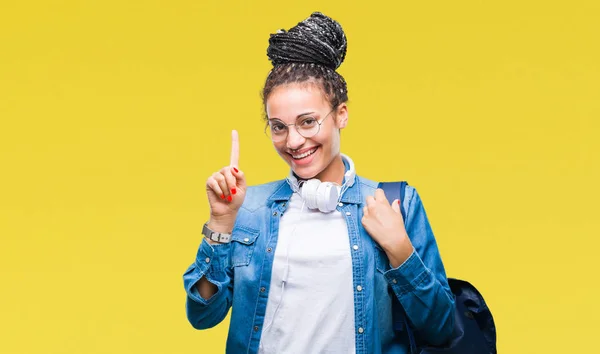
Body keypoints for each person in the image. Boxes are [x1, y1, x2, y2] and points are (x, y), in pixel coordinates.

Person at [183, 12, 455, 354]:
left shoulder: (395, 203)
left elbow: (443, 327)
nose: (293, 141)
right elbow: (202, 314)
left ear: (341, 114)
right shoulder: (247, 208)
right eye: (279, 126)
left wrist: (400, 250)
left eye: (308, 122)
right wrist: (221, 223)